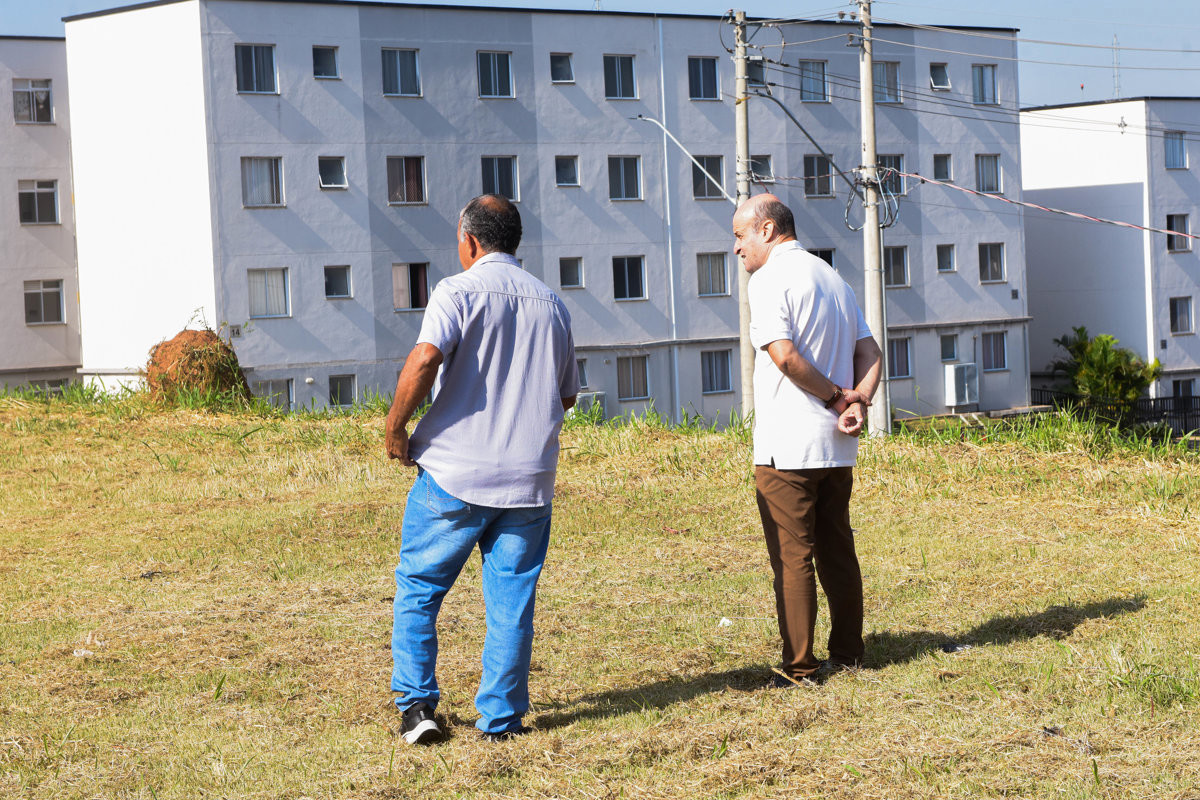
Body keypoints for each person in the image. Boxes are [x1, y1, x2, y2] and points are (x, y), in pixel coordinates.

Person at [385, 194, 579, 744]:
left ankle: (418, 708)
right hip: (528, 481)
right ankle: (500, 721)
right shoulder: (553, 304)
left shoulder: (456, 290)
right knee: (512, 603)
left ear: (469, 241)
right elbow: (567, 397)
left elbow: (425, 358)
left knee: (420, 588)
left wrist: (397, 428)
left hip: (454, 474)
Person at [732, 193, 883, 687]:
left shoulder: (770, 278)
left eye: (740, 236)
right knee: (837, 547)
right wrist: (858, 400)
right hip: (836, 447)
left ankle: (799, 667)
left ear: (768, 230)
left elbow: (784, 356)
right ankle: (850, 651)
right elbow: (871, 350)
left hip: (787, 445)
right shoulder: (832, 276)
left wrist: (840, 397)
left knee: (792, 556)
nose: (737, 249)